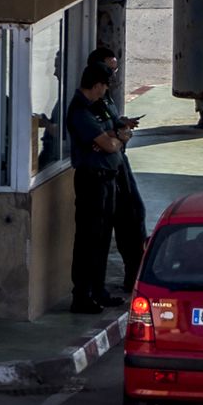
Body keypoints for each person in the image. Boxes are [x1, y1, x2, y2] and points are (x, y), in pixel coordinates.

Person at [65, 63, 131, 314]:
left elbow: (118, 131)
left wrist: (115, 136)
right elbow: (111, 144)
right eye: (104, 86)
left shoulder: (100, 106)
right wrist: (115, 139)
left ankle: (98, 289)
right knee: (88, 239)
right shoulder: (80, 112)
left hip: (108, 178)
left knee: (103, 238)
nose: (105, 91)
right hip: (91, 179)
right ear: (96, 85)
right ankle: (81, 294)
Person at [87, 47, 148, 292]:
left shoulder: (106, 98)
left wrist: (120, 125)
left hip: (118, 163)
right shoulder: (90, 102)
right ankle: (97, 287)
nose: (112, 77)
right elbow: (100, 137)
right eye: (108, 71)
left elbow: (110, 125)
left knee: (135, 216)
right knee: (109, 228)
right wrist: (118, 135)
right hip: (104, 169)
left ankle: (135, 272)